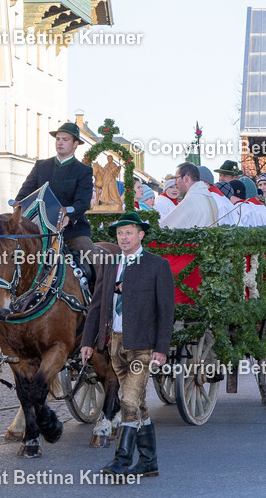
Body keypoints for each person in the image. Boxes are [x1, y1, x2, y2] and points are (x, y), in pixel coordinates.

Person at [79, 212, 174, 479]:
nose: (124, 238)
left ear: (141, 235)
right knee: (140, 404)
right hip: (116, 344)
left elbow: (166, 311)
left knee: (129, 400)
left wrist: (161, 348)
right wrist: (88, 341)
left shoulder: (157, 265)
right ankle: (148, 461)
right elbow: (97, 305)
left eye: (129, 232)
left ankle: (121, 461)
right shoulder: (110, 264)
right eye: (120, 233)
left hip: (143, 345)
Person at [16, 122, 96, 264]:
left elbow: (82, 202)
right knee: (9, 254)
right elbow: (25, 191)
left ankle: (104, 286)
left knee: (94, 260)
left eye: (65, 140)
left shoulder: (83, 170)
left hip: (72, 232)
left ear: (75, 143)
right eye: (58, 139)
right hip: (39, 230)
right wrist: (18, 205)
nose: (60, 143)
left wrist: (69, 217)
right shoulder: (41, 166)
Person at [159, 162, 217, 228]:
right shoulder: (208, 195)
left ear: (186, 178)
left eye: (176, 178)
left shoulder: (192, 199)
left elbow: (169, 228)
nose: (175, 182)